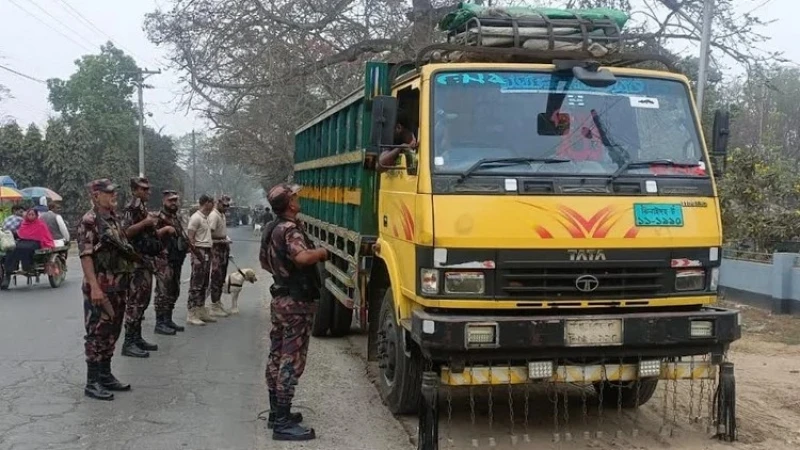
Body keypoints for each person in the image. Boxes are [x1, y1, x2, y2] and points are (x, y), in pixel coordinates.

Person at [260, 183, 329, 441]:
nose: (298, 198)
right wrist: (321, 253)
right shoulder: (289, 229)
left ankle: (277, 413)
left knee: (277, 354)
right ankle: (282, 424)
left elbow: (264, 262)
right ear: (289, 203)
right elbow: (301, 258)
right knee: (291, 359)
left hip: (280, 299)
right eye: (295, 196)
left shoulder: (271, 228)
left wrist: (282, 275)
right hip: (296, 303)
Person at [78, 178, 133, 401]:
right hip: (100, 285)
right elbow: (86, 255)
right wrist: (94, 287)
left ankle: (106, 375)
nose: (114, 196)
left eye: (114, 192)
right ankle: (92, 382)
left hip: (118, 285)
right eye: (109, 193)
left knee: (113, 331)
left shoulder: (113, 219)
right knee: (97, 333)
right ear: (95, 195)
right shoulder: (89, 221)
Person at [120, 177, 165, 358]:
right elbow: (125, 233)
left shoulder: (141, 207)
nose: (148, 192)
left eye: (148, 189)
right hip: (136, 262)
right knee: (135, 302)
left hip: (145, 260)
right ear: (134, 190)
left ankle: (137, 338)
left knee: (143, 301)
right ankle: (129, 342)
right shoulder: (131, 208)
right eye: (143, 189)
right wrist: (146, 223)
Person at [153, 190, 188, 335]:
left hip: (176, 258)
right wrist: (165, 229)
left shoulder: (177, 217)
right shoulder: (158, 217)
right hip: (163, 259)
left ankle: (168, 319)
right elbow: (151, 235)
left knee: (174, 290)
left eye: (175, 200)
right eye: (170, 200)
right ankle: (160, 322)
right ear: (164, 201)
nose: (173, 203)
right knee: (163, 291)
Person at [186, 194, 217, 325]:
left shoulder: (205, 218)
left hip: (207, 251)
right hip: (199, 251)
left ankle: (201, 309)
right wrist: (196, 255)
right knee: (196, 283)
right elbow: (190, 238)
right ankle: (191, 312)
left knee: (204, 282)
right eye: (212, 202)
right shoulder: (196, 218)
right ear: (206, 203)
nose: (213, 205)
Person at [208, 195, 232, 317]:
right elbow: (209, 234)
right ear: (218, 203)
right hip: (216, 248)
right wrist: (221, 240)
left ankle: (217, 301)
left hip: (223, 247)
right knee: (216, 276)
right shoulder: (214, 215)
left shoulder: (221, 214)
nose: (226, 207)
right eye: (224, 205)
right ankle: (214, 304)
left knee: (222, 276)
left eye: (228, 205)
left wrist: (225, 239)